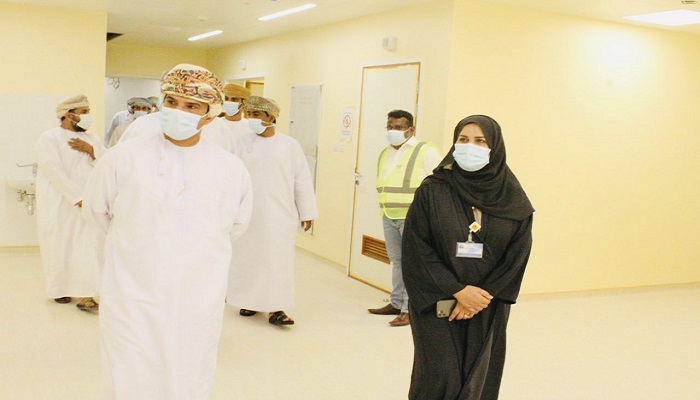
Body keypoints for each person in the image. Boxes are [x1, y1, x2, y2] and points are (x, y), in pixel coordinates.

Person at [81, 64, 253, 399]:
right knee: (130, 363)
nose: (178, 111)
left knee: (190, 362)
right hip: (132, 289)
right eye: (172, 102)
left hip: (198, 291)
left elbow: (236, 225)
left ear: (210, 115)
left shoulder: (230, 168)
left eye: (191, 106)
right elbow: (96, 210)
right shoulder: (123, 157)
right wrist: (139, 245)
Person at [402, 115, 534, 399]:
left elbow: (517, 254)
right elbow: (416, 247)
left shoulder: (512, 197)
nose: (469, 146)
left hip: (488, 303)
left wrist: (482, 296)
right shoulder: (433, 189)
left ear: (494, 147)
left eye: (480, 141)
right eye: (463, 140)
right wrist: (458, 290)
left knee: (479, 376)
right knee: (440, 376)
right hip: (437, 299)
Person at [226, 95, 318, 326]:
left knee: (277, 263)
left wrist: (307, 212)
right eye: (250, 114)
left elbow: (302, 180)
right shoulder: (241, 143)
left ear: (272, 117)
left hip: (279, 216)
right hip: (248, 215)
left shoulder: (290, 145)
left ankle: (276, 308)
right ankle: (248, 301)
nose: (251, 119)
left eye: (257, 114)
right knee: (248, 260)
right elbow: (231, 179)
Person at [367, 109, 441, 327]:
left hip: (413, 217)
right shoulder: (385, 152)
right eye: (390, 127)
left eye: (398, 127)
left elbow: (439, 185)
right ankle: (396, 302)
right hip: (388, 214)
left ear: (411, 129)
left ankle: (410, 310)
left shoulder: (425, 151)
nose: (393, 131)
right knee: (397, 261)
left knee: (412, 263)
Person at [34, 94, 104, 312]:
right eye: (84, 112)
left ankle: (85, 294)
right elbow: (52, 169)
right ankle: (59, 289)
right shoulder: (49, 138)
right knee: (59, 244)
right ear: (68, 115)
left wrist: (91, 150)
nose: (88, 116)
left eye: (88, 111)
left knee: (86, 246)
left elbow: (107, 164)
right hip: (59, 202)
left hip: (87, 202)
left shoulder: (92, 138)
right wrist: (76, 196)